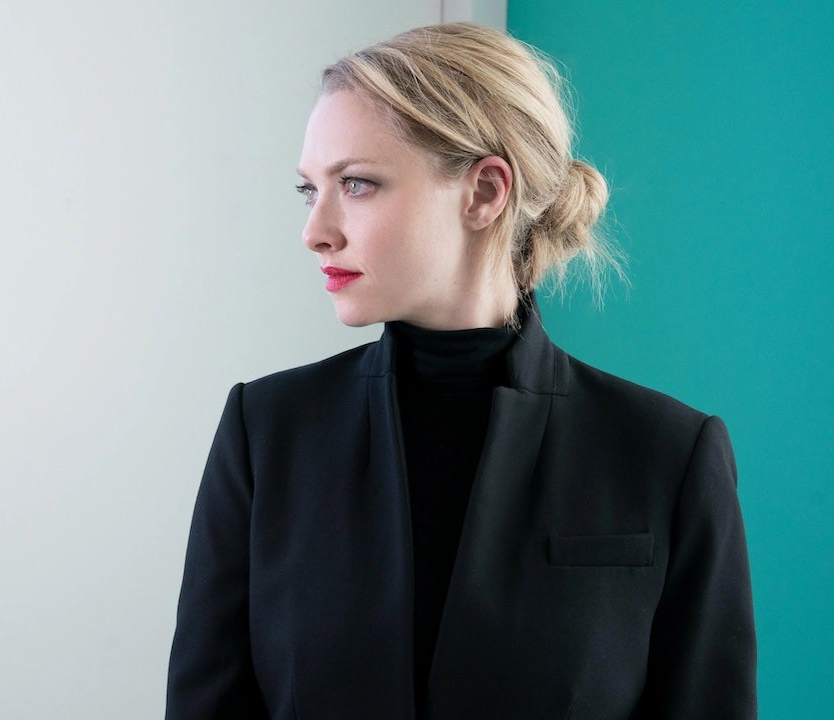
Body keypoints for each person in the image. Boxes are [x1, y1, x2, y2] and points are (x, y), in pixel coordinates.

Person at [166, 22, 756, 720]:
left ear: (484, 192)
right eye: (309, 190)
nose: (316, 231)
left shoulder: (666, 453)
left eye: (356, 184)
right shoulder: (266, 433)